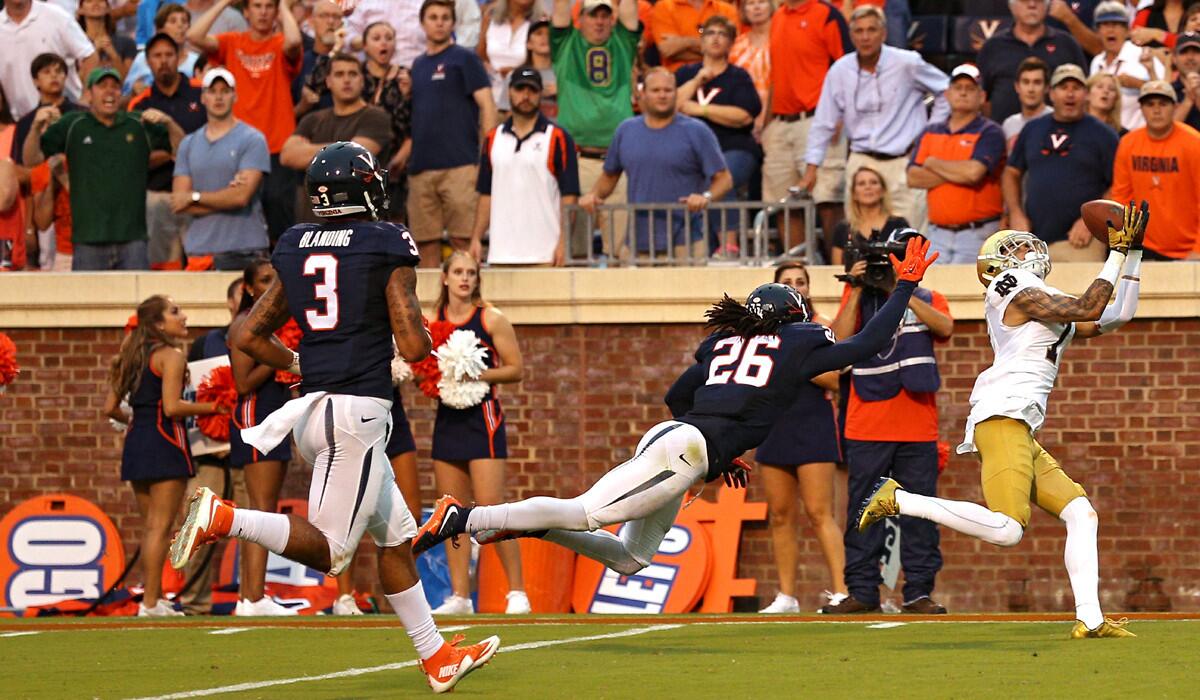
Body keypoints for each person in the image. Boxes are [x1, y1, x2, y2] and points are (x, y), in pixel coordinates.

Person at [411, 238, 940, 593]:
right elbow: (869, 342)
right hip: (685, 448)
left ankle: (524, 526)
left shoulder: (723, 344)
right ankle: (468, 518)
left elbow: (677, 393)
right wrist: (906, 285)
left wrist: (718, 450)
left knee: (629, 558)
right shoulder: (798, 340)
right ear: (788, 320)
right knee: (587, 512)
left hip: (680, 441)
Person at [171, 141, 501, 693]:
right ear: (363, 187)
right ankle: (225, 519)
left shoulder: (297, 242)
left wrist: (299, 360)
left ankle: (436, 656)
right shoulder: (384, 240)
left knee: (395, 539)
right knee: (333, 550)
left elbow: (246, 335)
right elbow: (413, 344)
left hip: (314, 409)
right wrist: (418, 341)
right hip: (355, 413)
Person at [858, 210, 1148, 638]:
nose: (1031, 250)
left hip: (1019, 424)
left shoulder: (1042, 297)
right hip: (1002, 415)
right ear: (999, 265)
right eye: (1020, 246)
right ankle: (900, 500)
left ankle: (1090, 617)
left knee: (1082, 514)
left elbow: (1114, 315)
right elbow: (1089, 305)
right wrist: (1115, 251)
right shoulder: (1008, 286)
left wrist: (1134, 254)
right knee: (1008, 529)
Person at [822, 228, 952, 615]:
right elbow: (838, 342)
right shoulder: (857, 294)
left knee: (921, 514)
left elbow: (945, 327)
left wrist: (905, 288)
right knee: (863, 511)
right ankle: (862, 591)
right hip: (866, 422)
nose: (892, 264)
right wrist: (859, 288)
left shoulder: (927, 295)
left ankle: (918, 592)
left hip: (917, 423)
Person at [104, 295, 227, 616]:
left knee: (151, 527)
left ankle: (154, 599)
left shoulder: (130, 356)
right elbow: (172, 406)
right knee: (160, 527)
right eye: (175, 312)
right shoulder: (170, 356)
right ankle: (150, 603)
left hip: (136, 442)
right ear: (158, 323)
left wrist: (137, 419)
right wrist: (214, 407)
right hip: (164, 442)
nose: (183, 317)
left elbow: (109, 408)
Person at [424, 251, 530, 615]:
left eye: (471, 272)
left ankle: (517, 591)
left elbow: (515, 369)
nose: (465, 278)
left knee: (491, 509)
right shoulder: (432, 321)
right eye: (458, 272)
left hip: (483, 420)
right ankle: (459, 595)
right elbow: (423, 368)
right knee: (451, 510)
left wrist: (475, 375)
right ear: (445, 278)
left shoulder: (490, 318)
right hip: (447, 421)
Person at [802, 6, 948, 238]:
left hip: (903, 162)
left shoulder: (906, 62)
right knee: (860, 240)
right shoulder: (840, 70)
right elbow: (824, 122)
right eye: (859, 31)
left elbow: (946, 90)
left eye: (871, 29)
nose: (865, 36)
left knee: (910, 240)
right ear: (851, 36)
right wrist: (811, 168)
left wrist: (929, 135)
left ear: (884, 33)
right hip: (860, 162)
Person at [754, 261, 847, 614]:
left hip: (813, 423)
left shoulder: (819, 329)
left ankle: (841, 591)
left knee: (819, 511)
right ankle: (786, 596)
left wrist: (792, 365)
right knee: (779, 514)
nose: (796, 286)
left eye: (801, 281)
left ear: (809, 289)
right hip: (774, 423)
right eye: (788, 282)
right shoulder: (761, 334)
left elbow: (837, 379)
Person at [26, 67, 176, 271]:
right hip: (88, 242)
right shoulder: (73, 125)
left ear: (121, 93)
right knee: (88, 303)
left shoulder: (138, 124)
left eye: (115, 87)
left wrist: (169, 123)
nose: (109, 91)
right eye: (102, 86)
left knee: (137, 303)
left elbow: (181, 150)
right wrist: (35, 127)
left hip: (133, 240)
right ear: (89, 94)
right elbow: (31, 159)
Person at [580, 68, 733, 261]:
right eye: (656, 90)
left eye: (668, 90)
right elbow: (609, 176)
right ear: (642, 94)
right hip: (637, 241)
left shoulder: (697, 131)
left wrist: (706, 197)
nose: (662, 95)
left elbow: (724, 179)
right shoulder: (626, 130)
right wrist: (594, 195)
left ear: (676, 93)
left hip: (686, 242)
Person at [188, 0, 304, 243]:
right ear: (246, 12)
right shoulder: (232, 42)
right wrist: (224, 3)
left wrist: (282, 4)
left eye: (269, 6)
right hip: (239, 147)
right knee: (241, 219)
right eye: (257, 6)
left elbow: (294, 41)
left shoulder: (280, 43)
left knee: (279, 224)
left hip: (277, 146)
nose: (263, 12)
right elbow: (194, 36)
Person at [222, 259, 298, 616]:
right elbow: (242, 383)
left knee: (263, 509)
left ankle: (252, 595)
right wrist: (285, 355)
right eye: (264, 280)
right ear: (249, 288)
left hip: (272, 416)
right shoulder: (244, 324)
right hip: (255, 418)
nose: (271, 285)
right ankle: (252, 597)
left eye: (276, 280)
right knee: (261, 509)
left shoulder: (272, 323)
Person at [407, 0, 498, 266]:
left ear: (453, 22)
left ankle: (469, 306)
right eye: (433, 17)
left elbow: (488, 105)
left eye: (445, 17)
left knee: (464, 240)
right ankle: (431, 307)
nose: (439, 22)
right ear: (423, 23)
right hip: (421, 167)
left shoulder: (465, 58)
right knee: (425, 243)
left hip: (460, 165)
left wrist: (488, 152)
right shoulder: (418, 64)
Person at [178, 276, 249, 616]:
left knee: (254, 529)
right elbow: (190, 392)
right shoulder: (206, 343)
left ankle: (252, 600)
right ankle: (194, 602)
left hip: (248, 451)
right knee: (199, 526)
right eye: (243, 295)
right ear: (230, 303)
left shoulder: (267, 341)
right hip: (210, 451)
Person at [552, 0, 640, 260]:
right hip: (577, 160)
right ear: (580, 19)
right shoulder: (566, 44)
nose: (600, 21)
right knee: (574, 248)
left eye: (605, 15)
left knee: (619, 250)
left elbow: (631, 14)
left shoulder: (623, 44)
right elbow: (559, 12)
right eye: (593, 15)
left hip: (617, 163)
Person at [1004, 65, 1118, 263]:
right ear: (1051, 93)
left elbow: (1119, 184)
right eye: (1063, 87)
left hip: (1082, 242)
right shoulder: (1033, 129)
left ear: (1086, 94)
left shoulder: (1104, 134)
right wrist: (1015, 212)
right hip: (1033, 242)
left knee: (1083, 294)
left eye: (1077, 88)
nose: (1070, 94)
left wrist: (1091, 221)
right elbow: (1011, 172)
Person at [764, 0, 850, 256]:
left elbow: (847, 68)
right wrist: (765, 120)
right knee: (783, 203)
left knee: (828, 198)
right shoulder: (777, 16)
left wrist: (839, 114)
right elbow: (775, 75)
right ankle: (796, 271)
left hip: (818, 118)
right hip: (779, 121)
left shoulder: (827, 15)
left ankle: (837, 269)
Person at [471, 67, 578, 266]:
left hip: (546, 253)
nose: (526, 96)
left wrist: (563, 242)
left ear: (541, 94)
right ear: (509, 91)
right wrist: (476, 237)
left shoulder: (558, 138)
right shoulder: (493, 138)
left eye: (532, 90)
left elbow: (570, 196)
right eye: (520, 89)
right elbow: (486, 193)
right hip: (500, 253)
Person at [675, 15, 761, 257]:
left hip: (734, 147)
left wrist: (700, 110)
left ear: (731, 43)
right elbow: (670, 106)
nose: (715, 38)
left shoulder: (738, 77)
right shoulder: (685, 74)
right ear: (701, 42)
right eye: (710, 33)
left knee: (720, 174)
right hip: (690, 153)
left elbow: (744, 116)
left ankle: (729, 245)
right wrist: (696, 81)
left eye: (722, 34)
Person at [171, 68, 272, 271]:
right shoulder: (188, 144)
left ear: (234, 96)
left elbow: (241, 197)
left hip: (244, 250)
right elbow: (179, 202)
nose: (218, 97)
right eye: (212, 91)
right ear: (203, 97)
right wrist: (225, 198)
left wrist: (195, 197)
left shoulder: (253, 139)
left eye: (225, 91)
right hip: (200, 252)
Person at [908, 64, 1006, 264]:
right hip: (936, 233)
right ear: (947, 94)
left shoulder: (991, 132)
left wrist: (932, 162)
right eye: (958, 87)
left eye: (970, 89)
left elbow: (973, 174)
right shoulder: (930, 131)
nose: (963, 93)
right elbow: (913, 177)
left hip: (978, 233)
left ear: (982, 97)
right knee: (932, 292)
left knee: (974, 292)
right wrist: (958, 170)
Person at [281, 53, 392, 223]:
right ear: (328, 81)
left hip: (361, 223)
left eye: (353, 74)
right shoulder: (312, 119)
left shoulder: (376, 117)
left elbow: (356, 160)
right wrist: (346, 147)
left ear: (362, 80)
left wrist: (308, 150)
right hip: (313, 222)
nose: (346, 80)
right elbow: (287, 156)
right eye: (339, 74)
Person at [129, 33, 208, 270]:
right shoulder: (140, 104)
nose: (163, 61)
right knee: (164, 270)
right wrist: (168, 154)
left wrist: (174, 150)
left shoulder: (202, 93)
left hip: (201, 194)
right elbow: (136, 159)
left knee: (202, 266)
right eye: (156, 56)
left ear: (179, 58)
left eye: (168, 55)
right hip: (158, 195)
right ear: (148, 61)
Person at [1110, 81, 1200, 260]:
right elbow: (1122, 198)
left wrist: (1197, 249)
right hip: (1143, 246)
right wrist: (1124, 245)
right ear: (1141, 108)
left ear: (1174, 107)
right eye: (1150, 104)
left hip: (1189, 249)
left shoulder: (1194, 143)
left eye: (1163, 104)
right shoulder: (1128, 143)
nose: (1156, 110)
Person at [977, 0, 1087, 124]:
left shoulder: (1067, 44)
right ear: (1012, 6)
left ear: (1047, 6)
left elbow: (1083, 91)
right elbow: (982, 98)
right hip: (1004, 134)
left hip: (1058, 135)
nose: (1032, 5)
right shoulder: (993, 46)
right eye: (1024, 1)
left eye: (1039, 1)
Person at [0, 0, 97, 120]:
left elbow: (89, 56)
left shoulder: (55, 15)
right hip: (22, 121)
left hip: (67, 116)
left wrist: (86, 97)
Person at [360, 21, 413, 219]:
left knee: (395, 223)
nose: (384, 43)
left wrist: (398, 160)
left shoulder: (405, 77)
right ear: (365, 45)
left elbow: (413, 125)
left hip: (398, 164)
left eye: (389, 38)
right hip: (360, 165)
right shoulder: (356, 75)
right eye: (376, 38)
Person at [1091, 2, 1164, 132]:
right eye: (1105, 25)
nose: (1110, 30)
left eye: (1117, 25)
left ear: (1127, 31)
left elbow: (1165, 95)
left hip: (1139, 136)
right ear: (1097, 32)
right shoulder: (1096, 62)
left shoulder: (1144, 56)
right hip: (1105, 136)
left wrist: (1138, 84)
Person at [829, 166, 908, 266]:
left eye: (874, 183)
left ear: (883, 190)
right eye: (861, 184)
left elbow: (910, 264)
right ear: (854, 194)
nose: (868, 187)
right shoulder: (842, 228)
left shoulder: (899, 225)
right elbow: (837, 269)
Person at [479, 0, 542, 112]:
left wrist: (517, 72)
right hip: (491, 94)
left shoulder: (540, 23)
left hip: (523, 96)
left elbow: (542, 64)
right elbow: (481, 54)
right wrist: (488, 68)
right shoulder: (489, 18)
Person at [125, 3, 201, 96]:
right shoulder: (142, 59)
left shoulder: (196, 61)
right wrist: (134, 90)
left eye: (184, 21)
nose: (180, 25)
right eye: (173, 21)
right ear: (159, 29)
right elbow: (125, 93)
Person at [653, 0, 739, 72]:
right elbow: (667, 50)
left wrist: (682, 43)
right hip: (677, 79)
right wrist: (715, 50)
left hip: (720, 75)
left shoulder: (727, 10)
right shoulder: (664, 7)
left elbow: (732, 50)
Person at [729, 0, 772, 143]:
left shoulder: (782, 38)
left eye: (762, 2)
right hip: (743, 121)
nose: (757, 7)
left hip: (778, 117)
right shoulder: (736, 45)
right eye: (751, 3)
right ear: (744, 10)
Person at [1002, 57, 1052, 153]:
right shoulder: (1009, 124)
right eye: (1026, 82)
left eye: (1037, 82)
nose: (1031, 89)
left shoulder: (1056, 120)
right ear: (1017, 87)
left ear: (1046, 88)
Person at [78, 0, 136, 79]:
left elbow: (127, 81)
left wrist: (113, 55)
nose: (95, 4)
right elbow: (78, 81)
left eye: (101, 1)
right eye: (89, 1)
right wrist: (95, 52)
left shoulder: (127, 42)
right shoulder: (76, 43)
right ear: (80, 10)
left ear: (108, 8)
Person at [524, 19, 557, 118]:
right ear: (529, 44)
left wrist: (564, 92)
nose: (544, 38)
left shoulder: (567, 74)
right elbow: (503, 115)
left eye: (549, 34)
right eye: (539, 34)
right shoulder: (518, 75)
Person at [1171, 31, 1200, 131]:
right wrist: (1188, 99)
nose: (1190, 57)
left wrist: (1198, 95)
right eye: (1184, 52)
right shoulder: (1168, 91)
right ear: (1174, 58)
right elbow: (1166, 130)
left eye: (1196, 52)